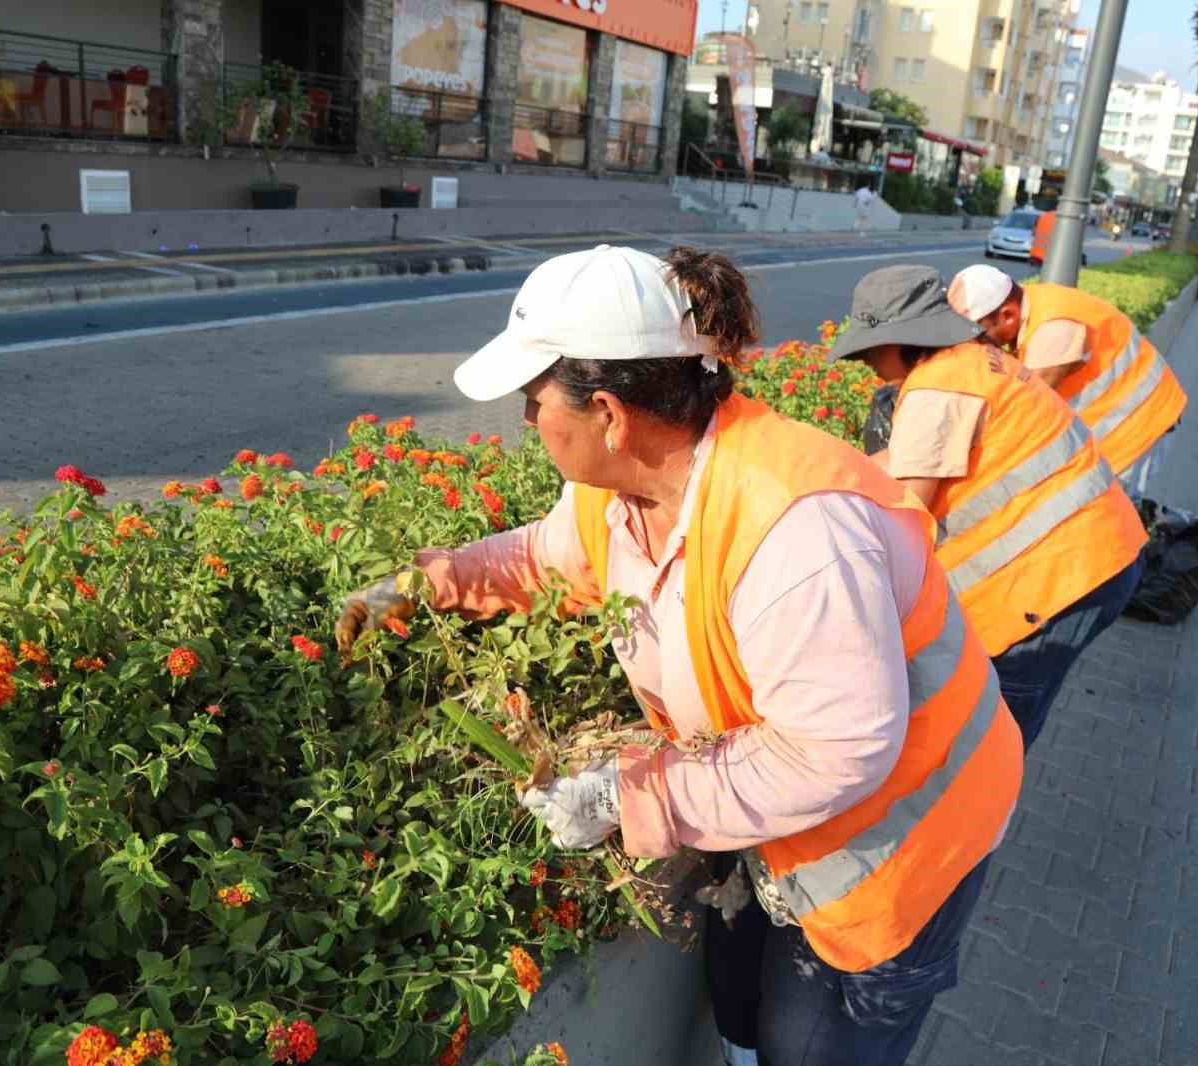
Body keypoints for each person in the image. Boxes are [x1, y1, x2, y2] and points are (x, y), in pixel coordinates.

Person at [335, 245, 1022, 1066]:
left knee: (815, 1046)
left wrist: (624, 797)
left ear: (608, 415)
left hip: (902, 843)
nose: (526, 422)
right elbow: (546, 558)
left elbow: (834, 751)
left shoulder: (795, 529)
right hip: (796, 817)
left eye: (532, 400)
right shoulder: (624, 493)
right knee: (745, 1007)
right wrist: (424, 582)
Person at [830, 264, 1146, 751]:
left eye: (870, 350)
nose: (866, 364)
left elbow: (908, 506)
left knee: (990, 733)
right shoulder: (972, 361)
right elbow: (908, 459)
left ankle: (977, 818)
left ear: (903, 340)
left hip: (1057, 582)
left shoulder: (939, 388)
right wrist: (829, 472)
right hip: (1097, 556)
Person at [946, 263, 1188, 499]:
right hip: (1122, 425)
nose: (976, 343)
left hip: (1135, 428)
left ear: (1008, 315)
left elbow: (1023, 407)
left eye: (979, 333)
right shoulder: (1031, 304)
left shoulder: (1053, 329)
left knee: (1104, 517)